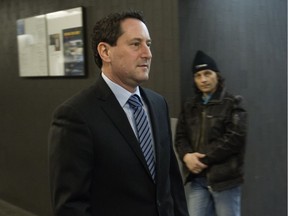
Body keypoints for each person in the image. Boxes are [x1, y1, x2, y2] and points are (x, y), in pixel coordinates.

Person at [48, 10, 189, 216]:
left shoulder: (159, 105)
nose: (147, 53)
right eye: (135, 44)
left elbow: (172, 182)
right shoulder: (75, 116)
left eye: (148, 44)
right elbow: (71, 206)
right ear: (105, 52)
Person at [174, 50, 247, 216]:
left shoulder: (233, 103)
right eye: (198, 75)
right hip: (198, 180)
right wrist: (186, 157)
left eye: (207, 73)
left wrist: (201, 159)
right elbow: (180, 137)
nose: (203, 80)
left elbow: (235, 138)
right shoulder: (189, 106)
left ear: (217, 75)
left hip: (225, 181)